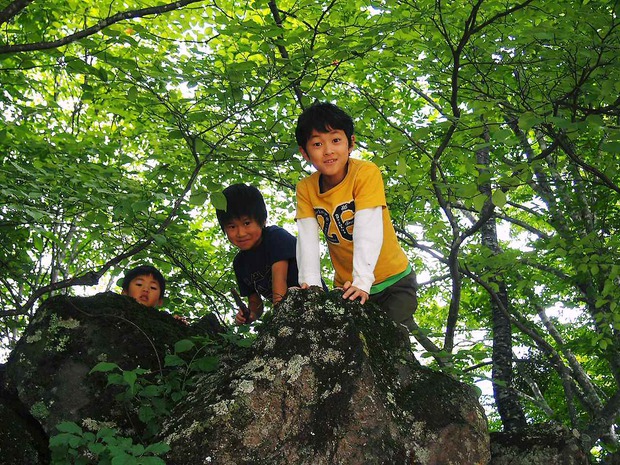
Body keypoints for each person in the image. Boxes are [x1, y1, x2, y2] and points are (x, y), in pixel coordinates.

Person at [294, 101, 417, 330]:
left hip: (393, 280)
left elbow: (368, 227)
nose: (328, 150)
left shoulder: (365, 173)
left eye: (336, 140)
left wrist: (363, 281)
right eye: (318, 143)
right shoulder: (306, 189)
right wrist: (311, 287)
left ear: (351, 143)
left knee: (394, 340)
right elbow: (307, 237)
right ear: (305, 152)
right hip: (348, 286)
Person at [216, 183, 299, 325]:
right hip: (286, 315)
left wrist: (279, 324)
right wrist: (250, 314)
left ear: (262, 220)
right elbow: (255, 302)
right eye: (232, 226)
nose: (241, 233)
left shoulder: (275, 237)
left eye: (247, 223)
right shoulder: (240, 264)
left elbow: (280, 285)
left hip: (312, 304)